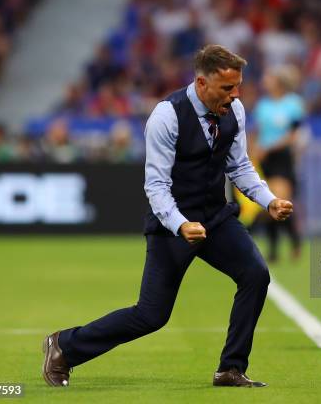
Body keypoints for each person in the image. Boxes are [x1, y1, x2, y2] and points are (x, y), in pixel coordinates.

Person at [42, 45, 293, 387]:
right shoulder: (167, 115)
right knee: (150, 316)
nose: (235, 95)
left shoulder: (235, 110)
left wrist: (268, 201)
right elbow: (156, 185)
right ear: (202, 83)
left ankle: (230, 368)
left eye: (237, 87)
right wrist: (180, 223)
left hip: (216, 219)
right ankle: (64, 346)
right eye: (227, 88)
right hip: (172, 225)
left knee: (256, 274)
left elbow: (239, 166)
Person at [253, 65, 305, 262]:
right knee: (268, 204)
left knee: (279, 201)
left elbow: (294, 134)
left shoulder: (293, 103)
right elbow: (257, 132)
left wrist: (270, 147)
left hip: (282, 158)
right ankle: (274, 249)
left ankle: (294, 239)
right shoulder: (263, 105)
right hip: (265, 159)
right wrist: (255, 150)